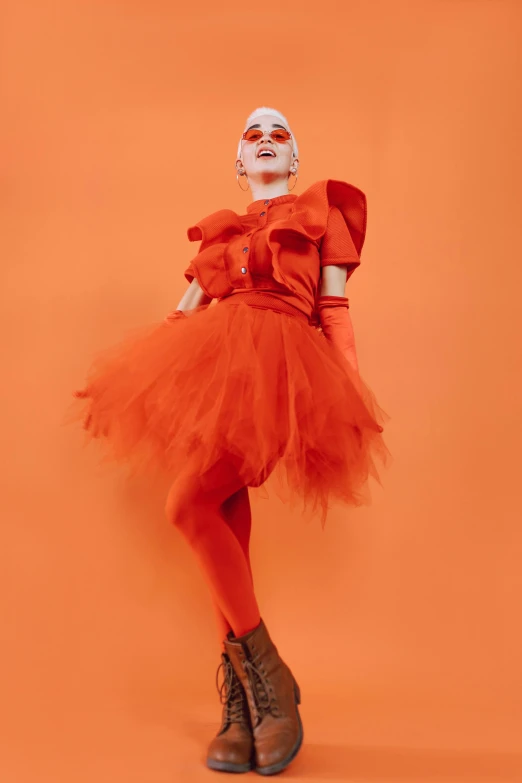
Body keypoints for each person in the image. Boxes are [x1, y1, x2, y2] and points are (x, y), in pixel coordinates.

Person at [72, 107, 388, 776]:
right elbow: (180, 315)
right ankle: (248, 704)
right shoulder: (220, 236)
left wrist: (351, 395)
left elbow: (332, 308)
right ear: (239, 165)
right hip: (218, 367)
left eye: (279, 135)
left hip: (282, 371)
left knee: (187, 505)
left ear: (293, 161)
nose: (266, 141)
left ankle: (270, 682)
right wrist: (120, 386)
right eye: (253, 136)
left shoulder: (318, 214)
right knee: (219, 514)